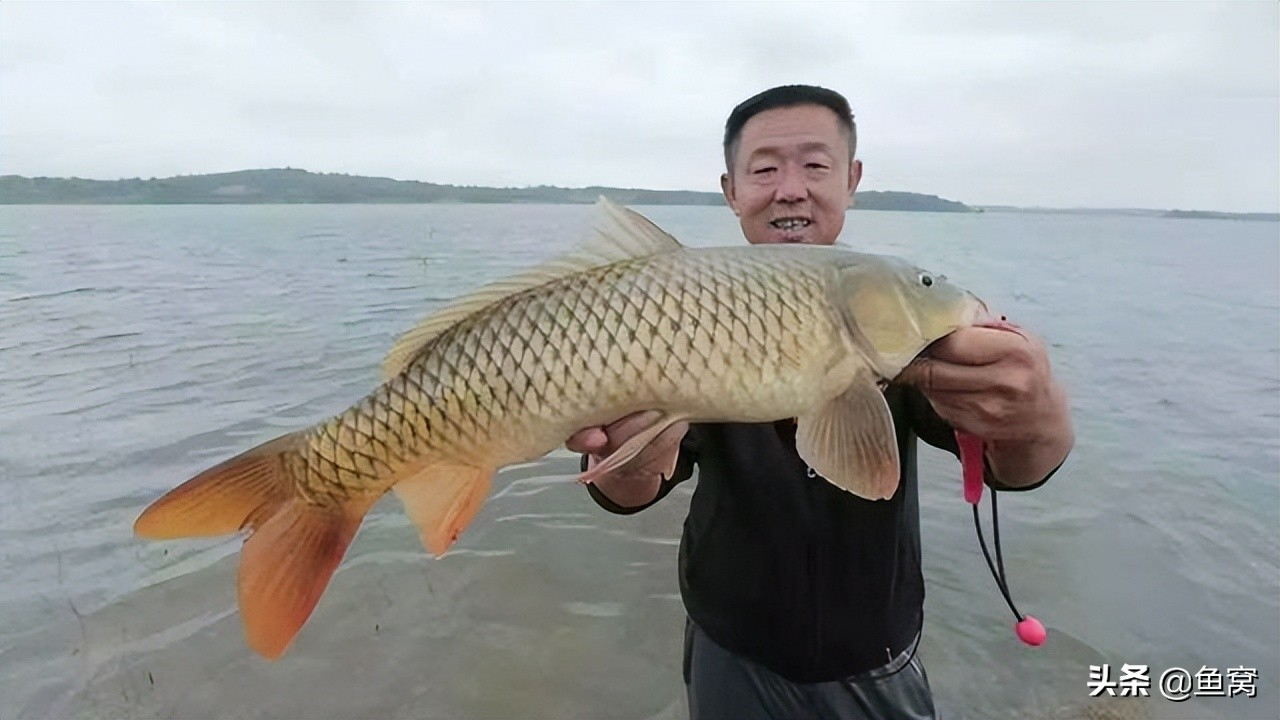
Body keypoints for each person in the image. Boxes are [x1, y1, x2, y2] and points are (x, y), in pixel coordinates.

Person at [566, 85, 1074, 720]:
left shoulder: (892, 313)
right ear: (731, 190)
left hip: (876, 650)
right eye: (764, 169)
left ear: (852, 180)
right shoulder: (679, 310)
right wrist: (632, 459)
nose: (790, 188)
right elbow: (626, 494)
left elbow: (1014, 469)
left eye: (814, 165)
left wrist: (1039, 415)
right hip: (731, 644)